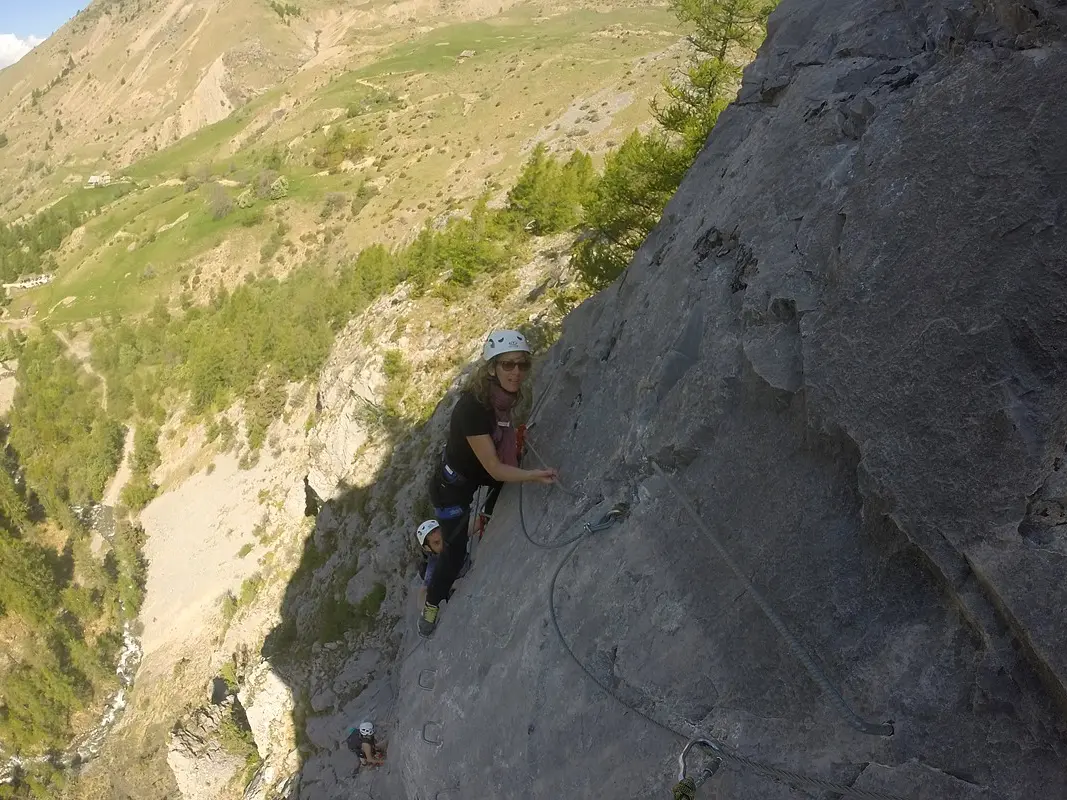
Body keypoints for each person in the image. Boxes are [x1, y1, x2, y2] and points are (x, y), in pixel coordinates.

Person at [419, 329, 557, 637]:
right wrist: (534, 475)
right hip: (451, 490)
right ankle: (430, 605)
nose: (516, 372)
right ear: (492, 368)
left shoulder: (502, 396)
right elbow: (495, 469)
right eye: (508, 365)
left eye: (522, 364)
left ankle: (488, 516)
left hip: (473, 471)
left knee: (508, 477)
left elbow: (497, 453)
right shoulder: (473, 409)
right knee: (454, 554)